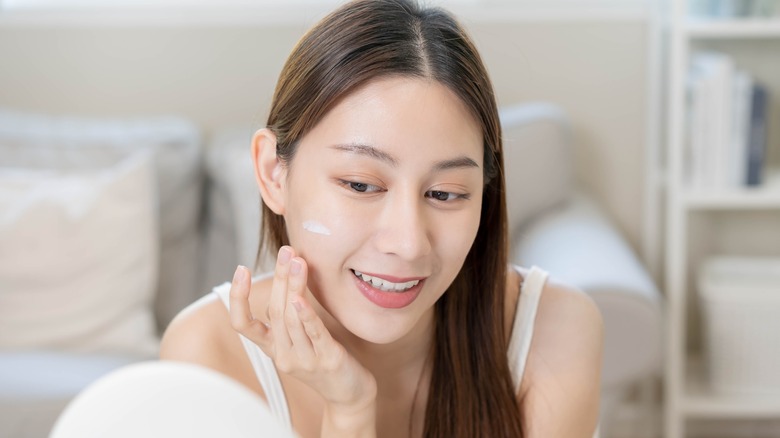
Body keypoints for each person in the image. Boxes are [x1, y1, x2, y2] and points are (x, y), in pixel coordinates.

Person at [160, 0, 603, 436]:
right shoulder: (208, 354)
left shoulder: (554, 331)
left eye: (445, 193)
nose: (409, 243)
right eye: (360, 185)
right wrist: (348, 409)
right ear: (273, 173)